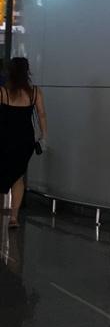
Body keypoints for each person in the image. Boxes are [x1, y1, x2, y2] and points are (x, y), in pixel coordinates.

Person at [1, 58, 46, 229]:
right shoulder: (34, 92)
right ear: (27, 72)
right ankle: (14, 218)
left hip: (4, 139)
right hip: (25, 140)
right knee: (18, 177)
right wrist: (43, 136)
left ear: (10, 72)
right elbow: (42, 115)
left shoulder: (3, 92)